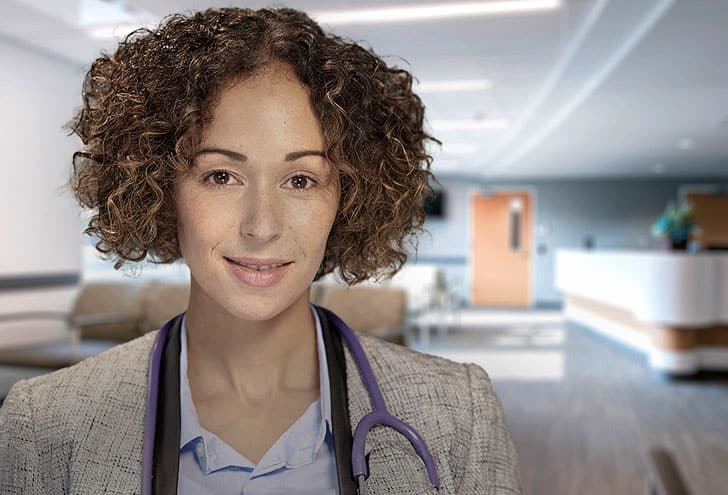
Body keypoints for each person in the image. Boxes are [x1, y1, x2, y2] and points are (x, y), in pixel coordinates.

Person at [0, 7, 521, 494]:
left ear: (349, 196)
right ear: (163, 189)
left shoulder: (459, 414)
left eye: (300, 179)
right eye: (221, 175)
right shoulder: (45, 422)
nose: (261, 226)